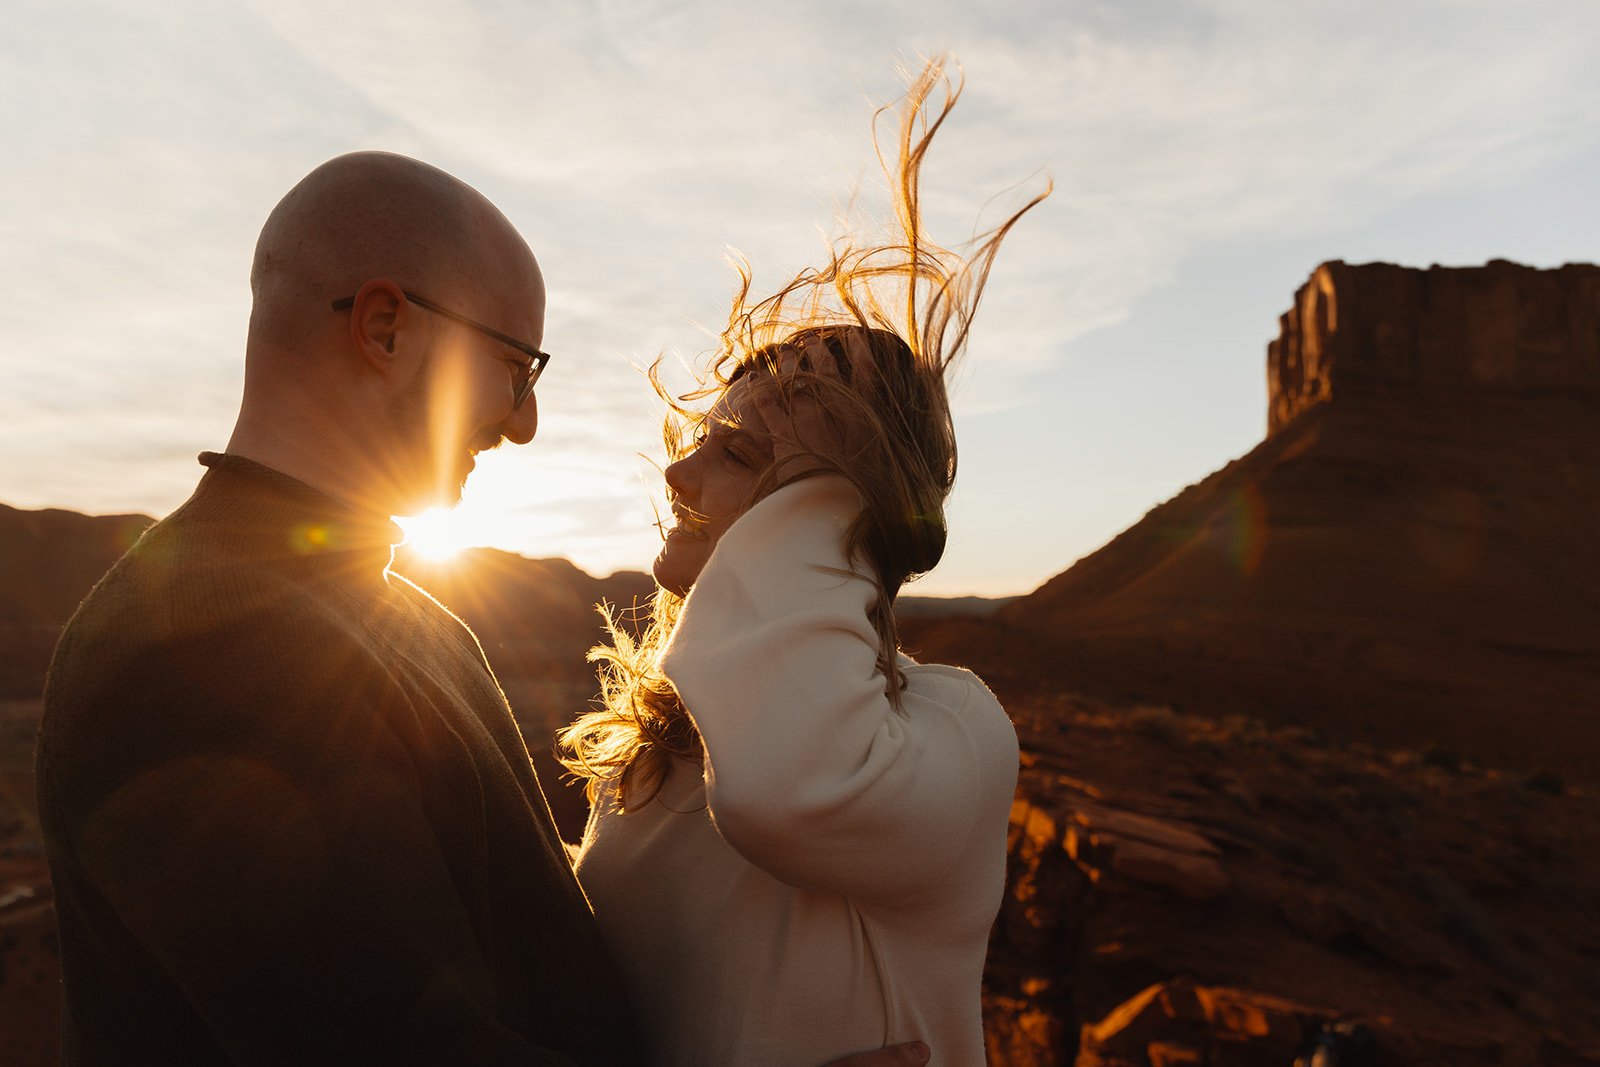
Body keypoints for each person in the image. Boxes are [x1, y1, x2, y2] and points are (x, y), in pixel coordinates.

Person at [35, 151, 932, 1067]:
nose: (523, 422)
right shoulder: (197, 644)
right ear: (385, 327)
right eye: (515, 365)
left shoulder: (413, 621)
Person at [561, 59, 1048, 1066]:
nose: (679, 468)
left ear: (840, 520)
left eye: (739, 454)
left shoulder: (951, 732)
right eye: (704, 434)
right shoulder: (647, 758)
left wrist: (837, 489)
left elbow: (787, 789)